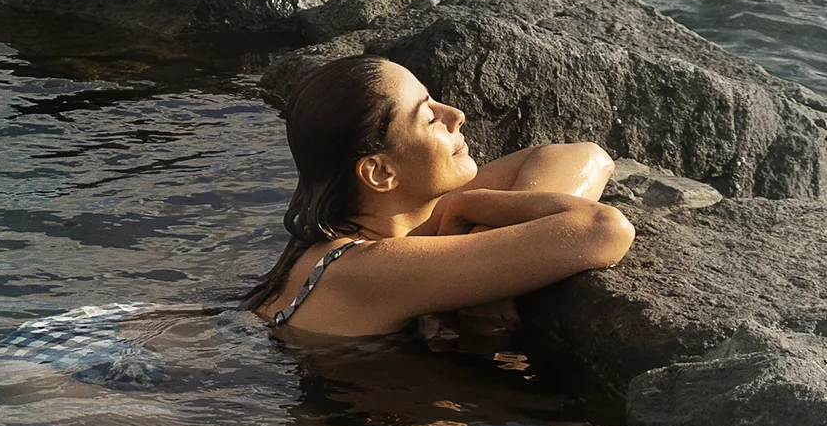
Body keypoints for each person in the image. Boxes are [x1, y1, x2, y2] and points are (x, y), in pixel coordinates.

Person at [244, 53, 629, 348]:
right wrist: (472, 212)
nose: (456, 114)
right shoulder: (366, 268)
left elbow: (586, 156)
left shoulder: (373, 221)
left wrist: (477, 217)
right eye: (428, 116)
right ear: (380, 173)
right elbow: (604, 230)